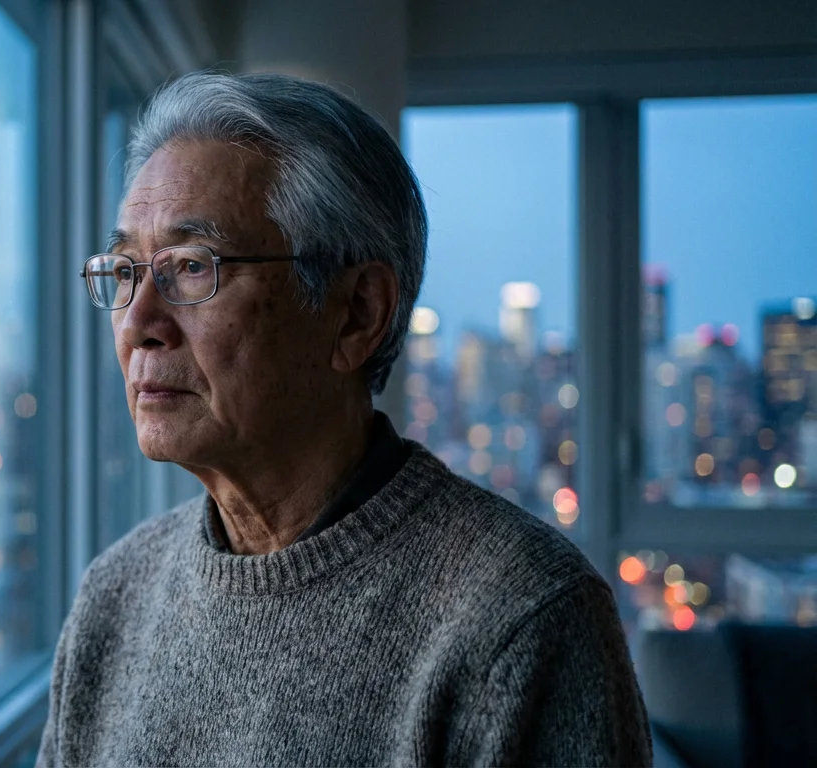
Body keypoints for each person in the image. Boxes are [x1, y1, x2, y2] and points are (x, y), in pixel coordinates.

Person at [37, 71, 651, 767]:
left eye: (190, 267)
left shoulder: (520, 621)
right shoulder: (115, 598)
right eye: (124, 272)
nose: (139, 323)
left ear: (358, 313)